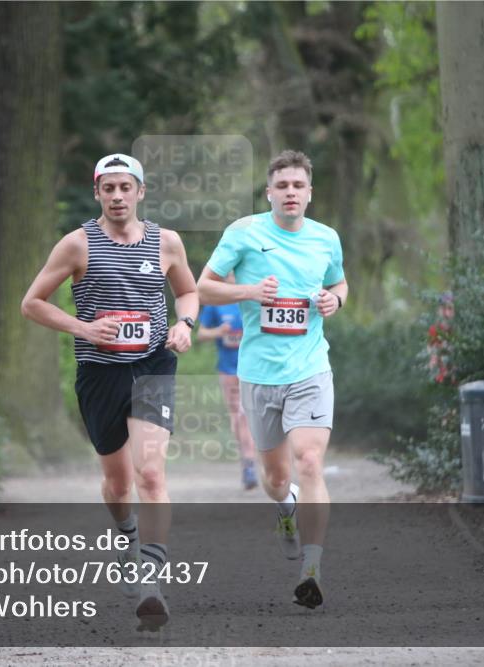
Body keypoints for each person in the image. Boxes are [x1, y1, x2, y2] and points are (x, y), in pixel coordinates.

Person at [21, 153, 198, 629]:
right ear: (97, 192)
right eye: (109, 189)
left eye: (126, 188)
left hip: (152, 366)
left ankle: (152, 580)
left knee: (151, 474)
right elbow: (32, 303)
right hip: (100, 373)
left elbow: (188, 291)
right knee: (119, 484)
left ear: (141, 192)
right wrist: (84, 328)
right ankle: (127, 535)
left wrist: (185, 323)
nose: (117, 196)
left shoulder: (168, 242)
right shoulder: (77, 245)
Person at [196, 149, 347, 610]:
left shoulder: (326, 239)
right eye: (282, 186)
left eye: (298, 186)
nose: (290, 193)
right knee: (277, 478)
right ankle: (285, 510)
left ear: (309, 193)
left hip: (309, 368)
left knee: (309, 461)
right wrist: (248, 292)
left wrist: (334, 302)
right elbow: (202, 286)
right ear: (269, 192)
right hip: (259, 374)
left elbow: (341, 284)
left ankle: (313, 568)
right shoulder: (244, 233)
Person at [195, 282, 258, 490]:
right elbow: (201, 334)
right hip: (228, 369)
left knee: (252, 414)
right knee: (238, 414)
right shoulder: (217, 303)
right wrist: (219, 332)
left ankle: (254, 459)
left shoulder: (253, 296)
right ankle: (248, 462)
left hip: (256, 367)